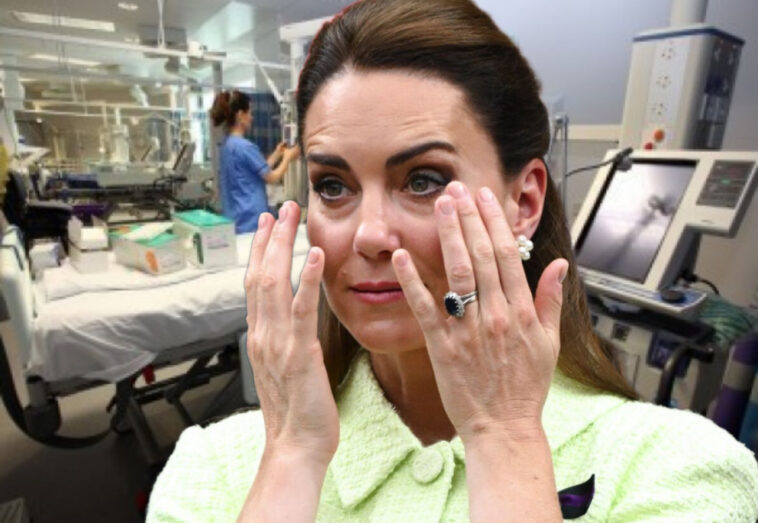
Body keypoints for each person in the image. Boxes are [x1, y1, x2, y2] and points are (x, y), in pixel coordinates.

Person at [148, 0, 758, 521]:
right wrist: (292, 454)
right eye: (333, 185)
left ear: (524, 203)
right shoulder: (213, 470)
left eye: (423, 179)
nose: (369, 234)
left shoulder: (678, 467)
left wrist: (505, 439)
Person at [210, 90, 300, 233]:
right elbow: (272, 177)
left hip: (236, 219)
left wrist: (277, 154)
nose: (251, 118)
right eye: (250, 113)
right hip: (250, 221)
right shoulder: (245, 147)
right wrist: (288, 157)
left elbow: (257, 170)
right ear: (240, 115)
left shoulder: (227, 145)